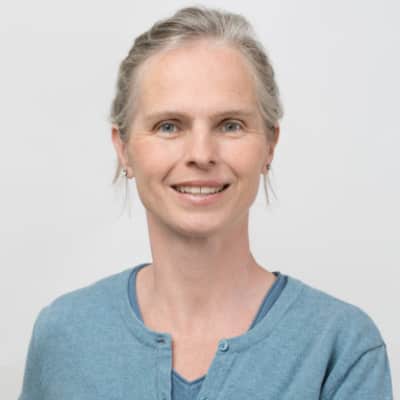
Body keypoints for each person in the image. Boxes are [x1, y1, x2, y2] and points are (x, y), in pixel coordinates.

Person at [19, 6, 393, 400]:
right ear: (124, 149)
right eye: (169, 126)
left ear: (269, 145)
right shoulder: (63, 336)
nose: (201, 154)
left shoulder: (341, 348)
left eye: (230, 125)